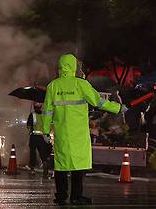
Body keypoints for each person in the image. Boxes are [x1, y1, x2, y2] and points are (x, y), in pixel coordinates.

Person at [42, 54, 125, 205]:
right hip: (78, 133)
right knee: (77, 167)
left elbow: (47, 111)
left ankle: (61, 197)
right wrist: (118, 108)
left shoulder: (53, 86)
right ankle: (76, 196)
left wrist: (45, 131)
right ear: (74, 67)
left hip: (62, 133)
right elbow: (98, 102)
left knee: (61, 166)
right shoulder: (81, 84)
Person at [26, 102, 52, 172]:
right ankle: (45, 164)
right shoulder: (44, 115)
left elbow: (28, 126)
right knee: (42, 152)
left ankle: (32, 168)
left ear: (34, 107)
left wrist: (29, 132)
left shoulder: (32, 115)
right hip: (42, 137)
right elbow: (48, 124)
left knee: (33, 152)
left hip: (34, 137)